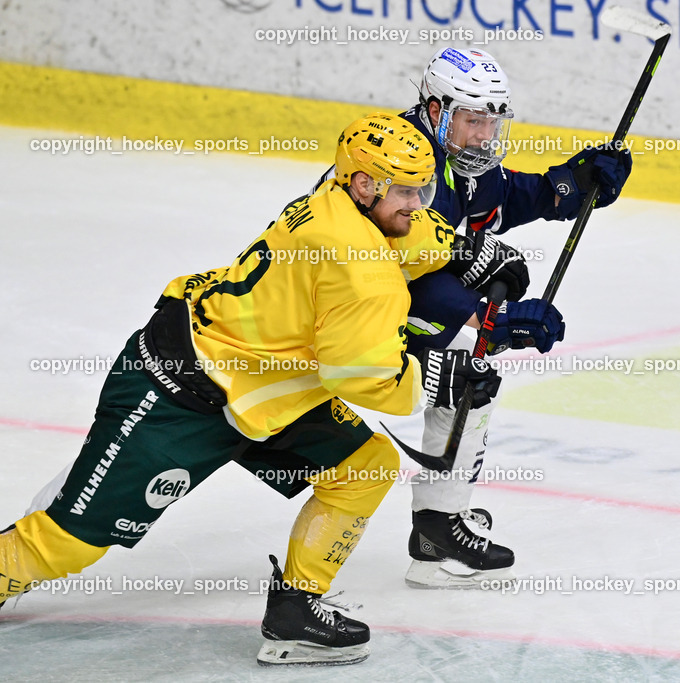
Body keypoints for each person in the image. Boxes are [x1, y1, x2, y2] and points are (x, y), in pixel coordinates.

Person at [0, 113, 501, 666]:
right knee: (68, 542)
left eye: (424, 188)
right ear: (363, 184)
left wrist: (466, 251)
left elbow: (404, 236)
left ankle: (295, 609)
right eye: (407, 190)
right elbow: (362, 376)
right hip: (177, 392)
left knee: (365, 466)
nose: (418, 202)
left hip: (258, 393)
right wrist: (443, 377)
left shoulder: (332, 200)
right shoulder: (363, 275)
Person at [313, 47, 632, 588]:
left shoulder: (459, 159)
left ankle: (438, 525)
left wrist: (576, 183)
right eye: (472, 120)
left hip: (381, 303)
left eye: (492, 121)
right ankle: (435, 525)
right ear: (436, 111)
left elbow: (507, 196)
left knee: (469, 377)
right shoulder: (399, 161)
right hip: (336, 314)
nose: (484, 135)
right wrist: (492, 319)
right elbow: (394, 276)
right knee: (467, 369)